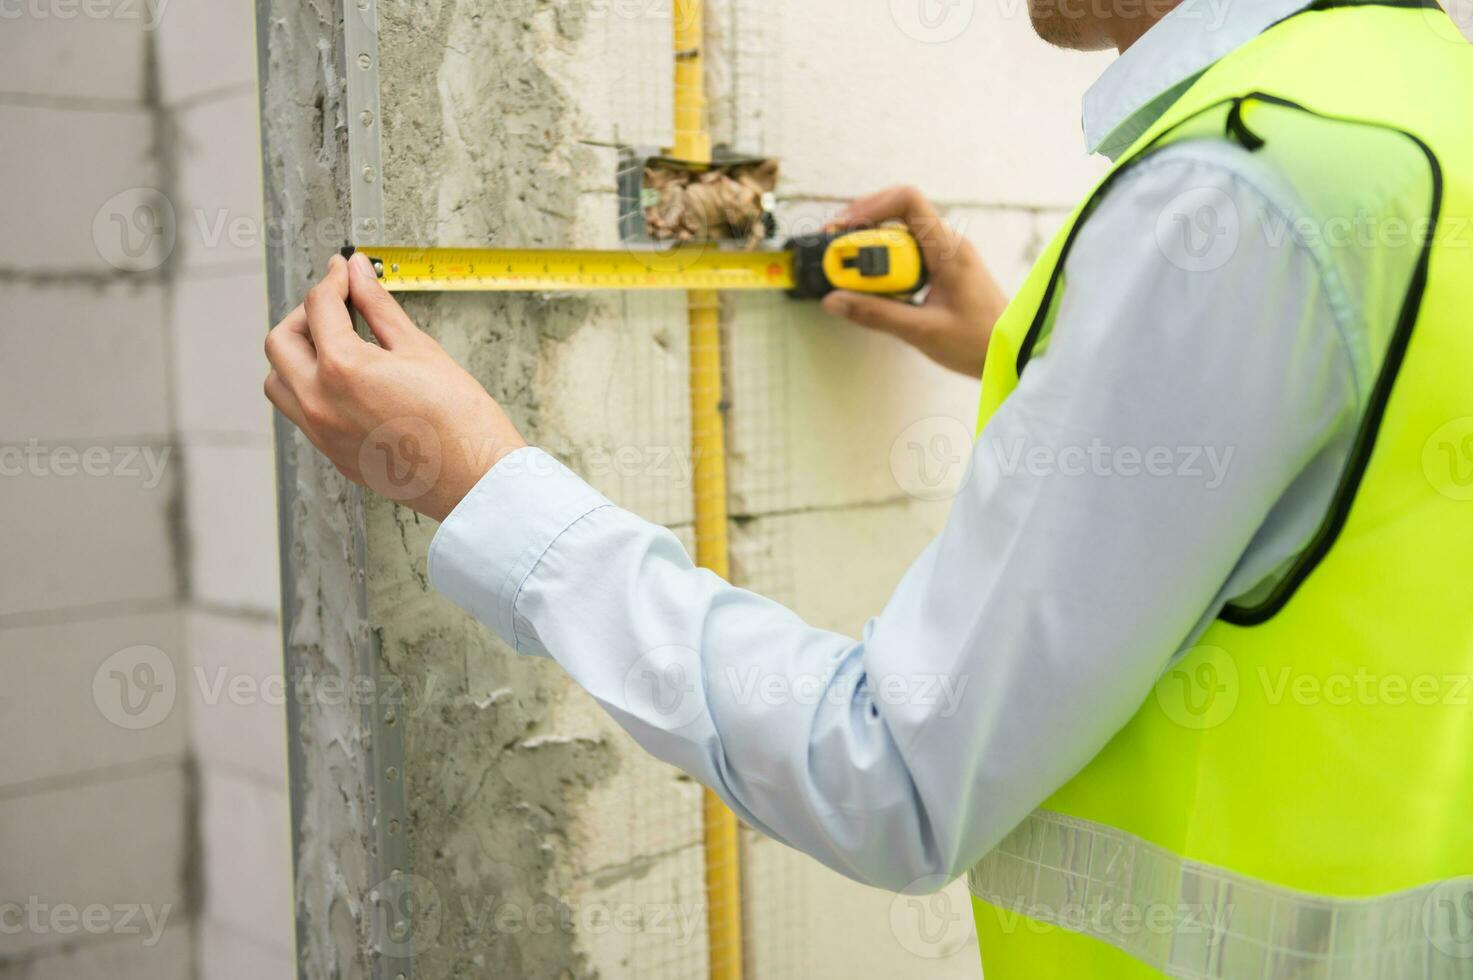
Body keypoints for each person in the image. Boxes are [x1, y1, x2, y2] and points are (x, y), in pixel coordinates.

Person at [264, 0, 1473, 973]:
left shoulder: (1234, 181)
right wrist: (1037, 349)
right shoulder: (1417, 104)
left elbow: (892, 774)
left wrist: (489, 486)